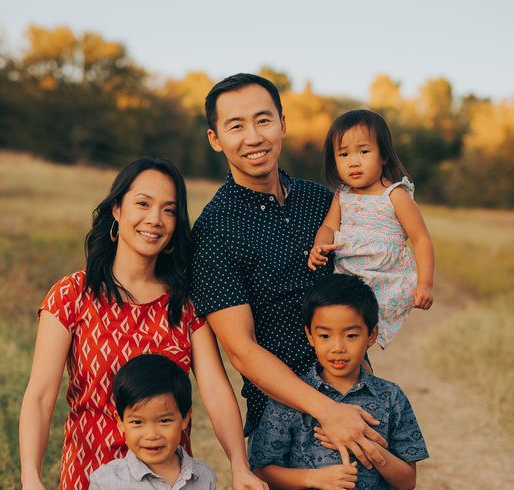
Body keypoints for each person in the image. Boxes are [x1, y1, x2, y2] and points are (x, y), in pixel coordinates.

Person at [19, 158, 265, 490]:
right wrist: (30, 477)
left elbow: (217, 390)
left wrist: (238, 463)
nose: (155, 219)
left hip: (169, 481)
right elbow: (40, 396)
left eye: (168, 210)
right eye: (143, 204)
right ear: (117, 210)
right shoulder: (72, 295)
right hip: (89, 476)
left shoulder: (186, 303)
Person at [191, 73, 389, 470]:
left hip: (355, 397)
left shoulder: (323, 201)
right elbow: (241, 351)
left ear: (282, 123)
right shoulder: (214, 231)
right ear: (215, 139)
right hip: (284, 426)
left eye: (263, 120)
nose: (253, 137)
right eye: (236, 126)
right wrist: (326, 410)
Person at [249, 273, 429, 490]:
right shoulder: (292, 398)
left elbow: (408, 481)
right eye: (325, 336)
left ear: (372, 335)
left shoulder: (390, 396)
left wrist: (368, 446)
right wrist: (314, 478)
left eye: (351, 335)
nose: (338, 348)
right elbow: (263, 471)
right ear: (310, 336)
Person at [308, 109, 435, 348]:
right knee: (341, 332)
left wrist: (425, 283)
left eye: (364, 152)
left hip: (385, 278)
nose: (353, 162)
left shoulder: (395, 195)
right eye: (343, 154)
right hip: (348, 274)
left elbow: (421, 240)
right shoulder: (342, 195)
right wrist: (319, 245)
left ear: (383, 155)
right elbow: (328, 226)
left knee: (361, 334)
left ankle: (359, 372)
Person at [89, 354, 217, 489]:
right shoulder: (107, 482)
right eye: (137, 422)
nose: (151, 435)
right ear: (120, 421)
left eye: (164, 420)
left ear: (185, 418)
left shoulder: (204, 477)